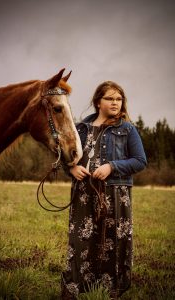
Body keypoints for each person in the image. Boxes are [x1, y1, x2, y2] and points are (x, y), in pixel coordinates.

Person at [61, 81, 147, 299]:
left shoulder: (127, 129)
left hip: (116, 195)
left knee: (114, 240)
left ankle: (111, 290)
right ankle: (76, 287)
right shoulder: (80, 128)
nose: (115, 103)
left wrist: (112, 166)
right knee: (82, 239)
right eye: (110, 98)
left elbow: (140, 161)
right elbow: (66, 156)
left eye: (119, 99)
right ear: (98, 101)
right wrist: (71, 168)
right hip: (83, 194)